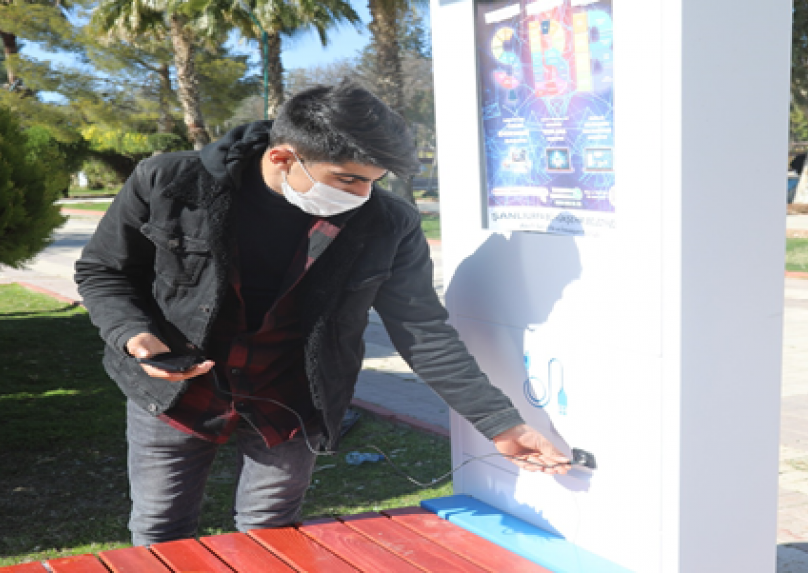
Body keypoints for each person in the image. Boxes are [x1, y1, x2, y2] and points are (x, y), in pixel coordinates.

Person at [74, 80, 570, 546]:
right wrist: (133, 335)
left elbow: (422, 330)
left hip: (294, 399)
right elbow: (103, 270)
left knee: (272, 538)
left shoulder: (388, 223)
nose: (361, 195)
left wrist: (500, 423)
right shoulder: (169, 182)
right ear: (282, 157)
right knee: (160, 529)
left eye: (373, 181)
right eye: (347, 179)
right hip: (175, 391)